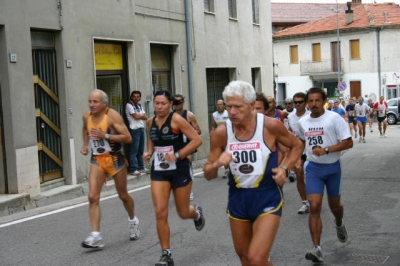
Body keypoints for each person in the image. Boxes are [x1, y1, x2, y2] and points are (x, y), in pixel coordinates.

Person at [203, 81, 304, 266]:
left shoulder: (270, 126)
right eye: (228, 106)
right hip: (238, 199)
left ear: (251, 106)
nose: (232, 112)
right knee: (246, 260)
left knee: (257, 259)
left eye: (238, 107)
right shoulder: (221, 133)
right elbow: (208, 174)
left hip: (267, 196)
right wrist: (218, 163)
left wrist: (285, 168)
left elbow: (297, 145)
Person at [142, 89, 204, 266]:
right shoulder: (150, 122)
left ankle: (196, 213)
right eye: (156, 103)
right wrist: (149, 152)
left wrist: (177, 155)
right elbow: (152, 140)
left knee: (183, 212)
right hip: (160, 170)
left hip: (180, 169)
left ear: (170, 104)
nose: (159, 107)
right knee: (160, 211)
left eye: (163, 103)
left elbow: (196, 140)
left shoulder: (177, 119)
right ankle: (166, 254)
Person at [297, 87, 353, 263]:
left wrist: (327, 150)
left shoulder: (334, 119)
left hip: (333, 168)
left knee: (335, 207)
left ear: (324, 101)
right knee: (314, 206)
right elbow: (300, 142)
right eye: (311, 101)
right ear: (307, 103)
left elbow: (348, 142)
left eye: (317, 100)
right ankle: (317, 248)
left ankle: (339, 222)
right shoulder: (303, 122)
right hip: (313, 168)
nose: (314, 104)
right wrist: (296, 159)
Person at [80, 89, 140, 248]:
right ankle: (95, 236)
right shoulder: (87, 116)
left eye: (95, 102)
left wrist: (105, 136)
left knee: (122, 195)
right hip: (97, 160)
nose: (91, 105)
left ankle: (133, 220)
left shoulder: (112, 116)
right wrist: (86, 145)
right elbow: (85, 129)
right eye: (90, 101)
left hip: (115, 159)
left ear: (104, 104)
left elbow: (128, 138)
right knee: (93, 197)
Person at [172, 94, 202, 200]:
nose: (176, 105)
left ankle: (189, 191)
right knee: (176, 169)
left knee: (187, 167)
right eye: (174, 102)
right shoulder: (171, 116)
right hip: (176, 147)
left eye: (179, 103)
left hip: (188, 146)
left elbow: (198, 130)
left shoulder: (189, 115)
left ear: (183, 103)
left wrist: (187, 131)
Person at [288, 92, 311, 214]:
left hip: (311, 150)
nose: (297, 104)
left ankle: (314, 199)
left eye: (300, 102)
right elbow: (291, 133)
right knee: (299, 175)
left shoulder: (310, 115)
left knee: (311, 177)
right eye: (295, 102)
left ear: (305, 102)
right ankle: (305, 203)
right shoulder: (291, 117)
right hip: (299, 150)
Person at [125, 90, 149, 176]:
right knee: (134, 150)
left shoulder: (139, 105)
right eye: (134, 96)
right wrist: (140, 116)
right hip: (134, 130)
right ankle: (133, 168)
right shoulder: (129, 105)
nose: (136, 98)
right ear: (131, 97)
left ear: (140, 98)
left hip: (141, 128)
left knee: (140, 150)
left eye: (138, 97)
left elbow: (146, 117)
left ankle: (141, 167)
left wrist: (140, 116)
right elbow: (135, 116)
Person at [210, 99, 230, 178]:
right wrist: (212, 132)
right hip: (221, 137)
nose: (219, 106)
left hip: (229, 136)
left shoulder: (228, 113)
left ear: (224, 105)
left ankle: (233, 169)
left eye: (221, 104)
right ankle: (227, 170)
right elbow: (212, 125)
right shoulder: (214, 115)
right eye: (217, 105)